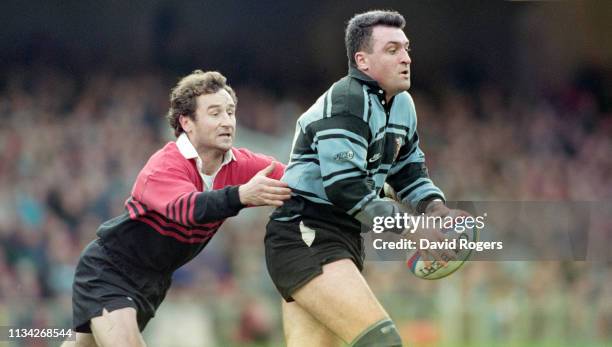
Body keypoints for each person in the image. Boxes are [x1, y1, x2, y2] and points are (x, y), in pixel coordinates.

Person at [264, 10, 464, 347]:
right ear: (363, 61)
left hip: (342, 238)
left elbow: (409, 172)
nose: (406, 58)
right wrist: (414, 229)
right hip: (305, 232)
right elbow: (345, 187)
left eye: (406, 48)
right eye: (392, 50)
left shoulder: (403, 105)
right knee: (383, 341)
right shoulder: (347, 100)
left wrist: (435, 209)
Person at [63, 70, 291, 347]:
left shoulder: (241, 163)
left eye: (230, 112)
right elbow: (187, 210)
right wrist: (241, 195)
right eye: (215, 113)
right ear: (187, 122)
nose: (227, 121)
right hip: (110, 271)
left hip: (152, 284)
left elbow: (296, 177)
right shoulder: (164, 165)